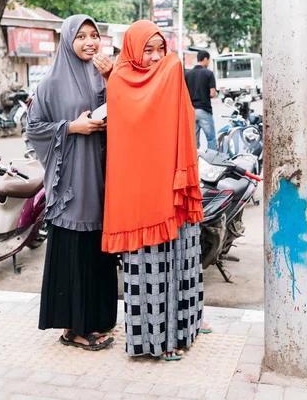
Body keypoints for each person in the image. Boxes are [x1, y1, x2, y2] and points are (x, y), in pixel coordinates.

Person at [102, 20, 210, 361]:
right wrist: (111, 77)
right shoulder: (118, 81)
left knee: (182, 260)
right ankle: (155, 341)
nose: (154, 56)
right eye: (146, 50)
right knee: (148, 267)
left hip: (173, 185)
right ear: (132, 50)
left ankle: (184, 329)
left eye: (158, 48)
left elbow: (173, 69)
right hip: (140, 194)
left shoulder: (172, 70)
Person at [27, 14, 118, 351]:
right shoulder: (50, 84)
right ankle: (73, 328)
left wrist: (112, 79)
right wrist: (70, 127)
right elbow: (33, 129)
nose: (90, 42)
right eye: (81, 36)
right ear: (67, 40)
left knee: (98, 252)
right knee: (75, 252)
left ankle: (97, 319)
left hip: (102, 180)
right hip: (72, 187)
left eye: (94, 35)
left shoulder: (102, 77)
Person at [185, 50, 217, 151]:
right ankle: (212, 163)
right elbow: (212, 93)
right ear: (205, 59)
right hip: (204, 110)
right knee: (211, 138)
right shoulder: (209, 73)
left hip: (191, 111)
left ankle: (196, 162)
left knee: (194, 141)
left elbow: (184, 93)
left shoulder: (187, 74)